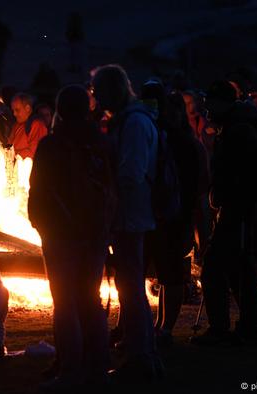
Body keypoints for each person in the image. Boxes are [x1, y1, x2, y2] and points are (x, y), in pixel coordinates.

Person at [28, 85, 114, 389]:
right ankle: (97, 367)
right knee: (88, 299)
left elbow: (38, 189)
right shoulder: (101, 143)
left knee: (65, 302)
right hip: (93, 233)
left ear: (61, 110)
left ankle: (70, 371)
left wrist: (40, 222)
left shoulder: (52, 145)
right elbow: (109, 188)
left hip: (62, 234)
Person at [91, 64, 161, 382]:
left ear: (113, 90)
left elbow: (131, 172)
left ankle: (141, 357)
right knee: (129, 287)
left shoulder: (133, 123)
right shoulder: (131, 120)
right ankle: (143, 353)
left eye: (99, 91)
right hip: (131, 215)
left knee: (131, 288)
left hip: (131, 217)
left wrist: (108, 192)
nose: (97, 97)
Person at [191, 80, 257, 347]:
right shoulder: (237, 126)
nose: (206, 109)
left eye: (210, 103)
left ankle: (222, 328)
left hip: (237, 208)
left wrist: (229, 193)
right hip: (236, 207)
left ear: (223, 103)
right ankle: (246, 327)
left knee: (216, 267)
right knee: (238, 268)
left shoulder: (240, 130)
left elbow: (250, 171)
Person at [145, 90, 205, 346]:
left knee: (172, 273)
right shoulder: (168, 138)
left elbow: (197, 186)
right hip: (164, 214)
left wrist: (198, 227)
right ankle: (161, 327)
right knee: (167, 273)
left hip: (175, 215)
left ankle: (165, 328)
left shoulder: (183, 143)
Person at [8, 93, 49, 160]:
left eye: (17, 110)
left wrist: (11, 154)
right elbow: (9, 145)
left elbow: (33, 152)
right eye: (13, 110)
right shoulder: (16, 125)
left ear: (27, 108)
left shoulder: (37, 125)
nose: (14, 114)